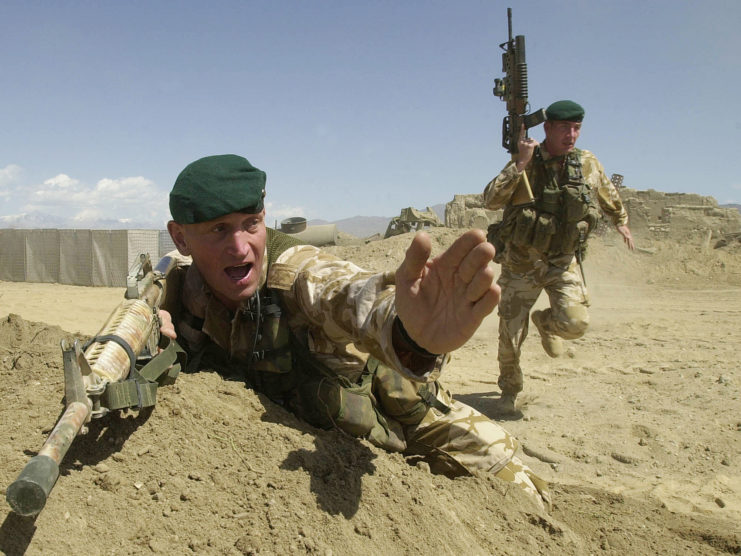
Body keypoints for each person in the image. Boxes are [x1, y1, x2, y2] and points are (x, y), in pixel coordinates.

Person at [158, 153, 550, 510]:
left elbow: (349, 294)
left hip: (409, 420)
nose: (241, 248)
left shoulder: (297, 275)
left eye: (251, 225)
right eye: (219, 231)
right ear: (181, 238)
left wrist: (411, 333)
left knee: (526, 503)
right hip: (327, 436)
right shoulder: (180, 291)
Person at [483, 100, 635, 414]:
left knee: (576, 323)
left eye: (576, 128)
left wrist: (621, 221)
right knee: (509, 334)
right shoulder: (528, 160)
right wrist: (521, 163)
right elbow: (491, 200)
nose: (571, 134)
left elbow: (606, 191)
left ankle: (545, 322)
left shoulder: (587, 162)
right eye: (564, 127)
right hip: (522, 262)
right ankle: (509, 391)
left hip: (563, 260)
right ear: (548, 128)